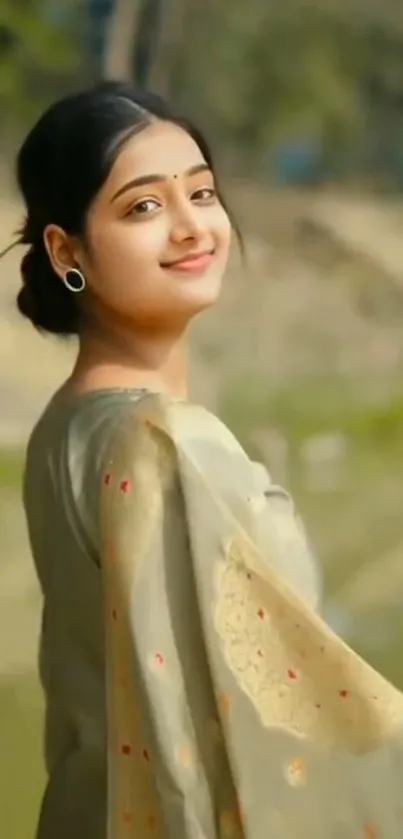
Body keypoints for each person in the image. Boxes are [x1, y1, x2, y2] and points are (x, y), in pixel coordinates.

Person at [6, 80, 403, 839]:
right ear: (66, 250)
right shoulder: (164, 441)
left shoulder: (65, 426)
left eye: (203, 194)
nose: (192, 227)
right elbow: (276, 715)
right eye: (145, 207)